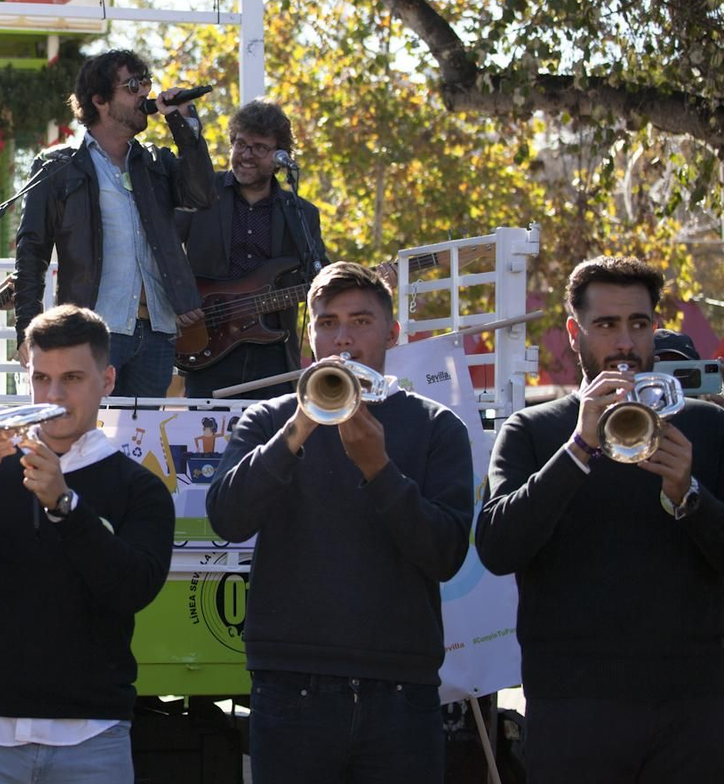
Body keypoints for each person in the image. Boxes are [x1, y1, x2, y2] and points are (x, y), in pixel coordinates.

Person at [206, 262, 472, 783]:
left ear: (392, 334)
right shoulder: (268, 420)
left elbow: (445, 554)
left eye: (360, 322)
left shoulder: (438, 426)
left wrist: (379, 468)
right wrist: (298, 429)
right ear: (309, 337)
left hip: (400, 690)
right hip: (291, 686)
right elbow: (227, 518)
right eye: (327, 323)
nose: (342, 339)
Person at [475, 256, 724, 782]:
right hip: (572, 709)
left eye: (638, 324)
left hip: (694, 709)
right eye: (606, 325)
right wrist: (579, 449)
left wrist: (689, 495)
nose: (625, 343)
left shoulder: (708, 428)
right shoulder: (532, 431)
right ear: (575, 332)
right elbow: (497, 549)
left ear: (655, 327)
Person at [0, 304, 174, 782]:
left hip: (93, 739)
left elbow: (133, 590)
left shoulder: (140, 488)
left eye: (72, 378)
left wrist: (67, 507)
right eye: (41, 378)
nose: (53, 395)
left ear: (108, 381)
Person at [12, 49, 213, 399]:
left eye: (146, 84)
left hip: (157, 331)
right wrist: (27, 330)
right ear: (100, 100)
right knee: (86, 438)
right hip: (94, 331)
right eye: (132, 86)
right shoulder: (60, 166)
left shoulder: (156, 162)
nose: (144, 95)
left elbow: (201, 195)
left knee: (142, 445)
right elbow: (32, 250)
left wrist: (183, 124)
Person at [181, 99, 329, 399]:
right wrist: (176, 301)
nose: (246, 155)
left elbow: (321, 275)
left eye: (259, 147)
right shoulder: (201, 193)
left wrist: (358, 282)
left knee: (272, 441)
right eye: (240, 144)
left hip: (272, 354)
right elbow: (162, 250)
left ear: (279, 156)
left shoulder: (301, 213)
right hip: (206, 342)